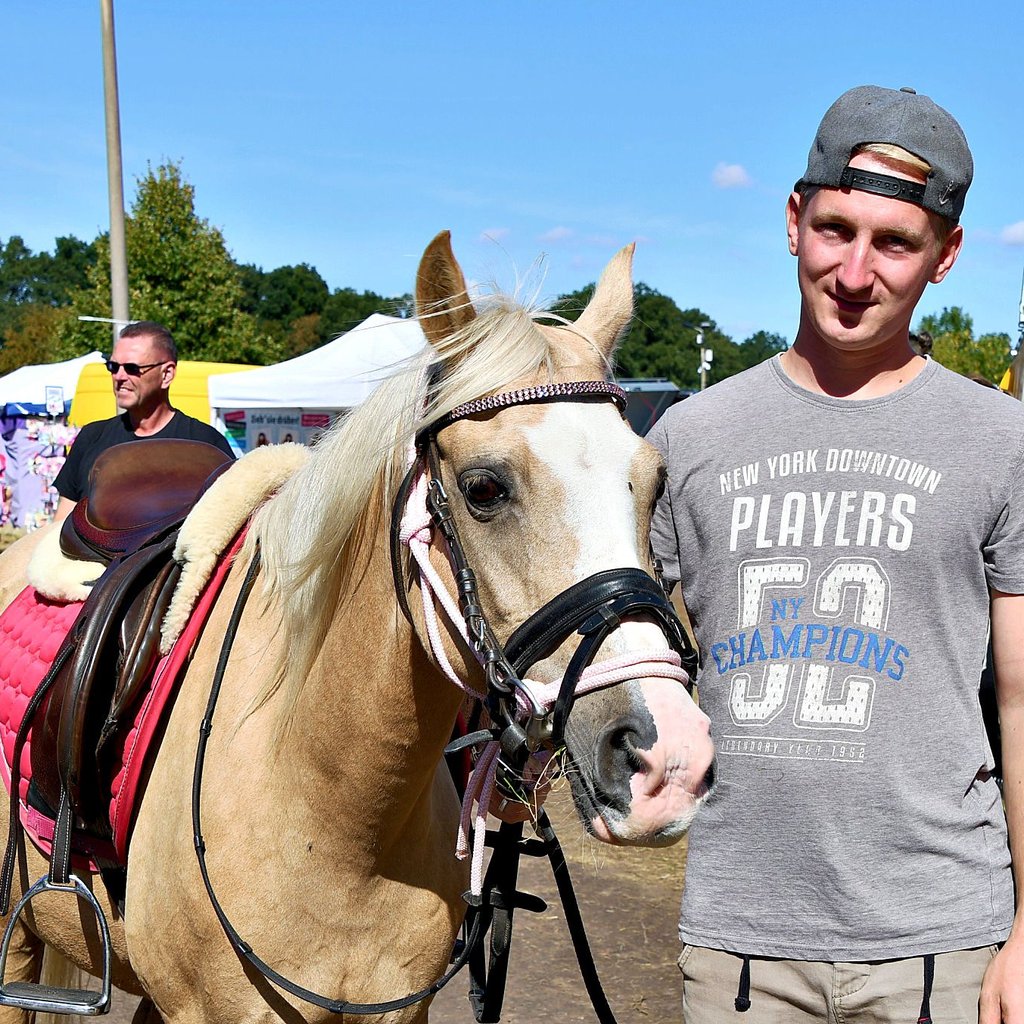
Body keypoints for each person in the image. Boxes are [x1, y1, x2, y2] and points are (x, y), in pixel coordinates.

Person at [648, 85, 1024, 1023]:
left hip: (942, 944)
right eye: (836, 230)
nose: (856, 271)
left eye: (895, 243)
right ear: (793, 221)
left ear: (945, 257)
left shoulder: (1001, 441)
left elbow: (1021, 697)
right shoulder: (687, 438)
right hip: (741, 944)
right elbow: (626, 663)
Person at [53, 321, 234, 518]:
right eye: (113, 367)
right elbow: (61, 526)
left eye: (132, 368)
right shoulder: (92, 437)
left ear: (167, 374)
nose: (119, 377)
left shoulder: (205, 445)